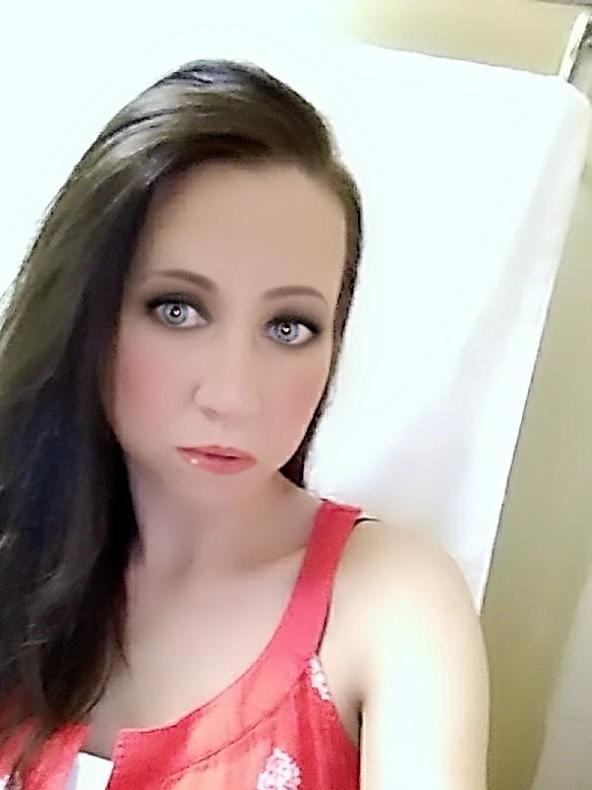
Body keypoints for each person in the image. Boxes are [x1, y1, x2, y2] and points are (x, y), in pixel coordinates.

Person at [0, 58, 489, 789]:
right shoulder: (15, 561)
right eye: (177, 310)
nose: (232, 395)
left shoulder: (389, 605)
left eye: (289, 327)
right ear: (86, 313)